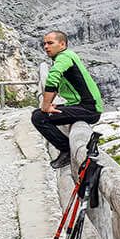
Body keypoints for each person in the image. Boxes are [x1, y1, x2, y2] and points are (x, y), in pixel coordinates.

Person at [31, 30, 104, 170]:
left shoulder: (64, 57)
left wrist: (45, 106)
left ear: (62, 44)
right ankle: (66, 149)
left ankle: (66, 151)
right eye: (44, 43)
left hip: (88, 109)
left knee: (39, 117)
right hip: (82, 105)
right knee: (41, 113)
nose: (46, 46)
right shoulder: (66, 56)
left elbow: (53, 78)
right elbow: (56, 85)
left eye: (50, 43)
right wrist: (48, 103)